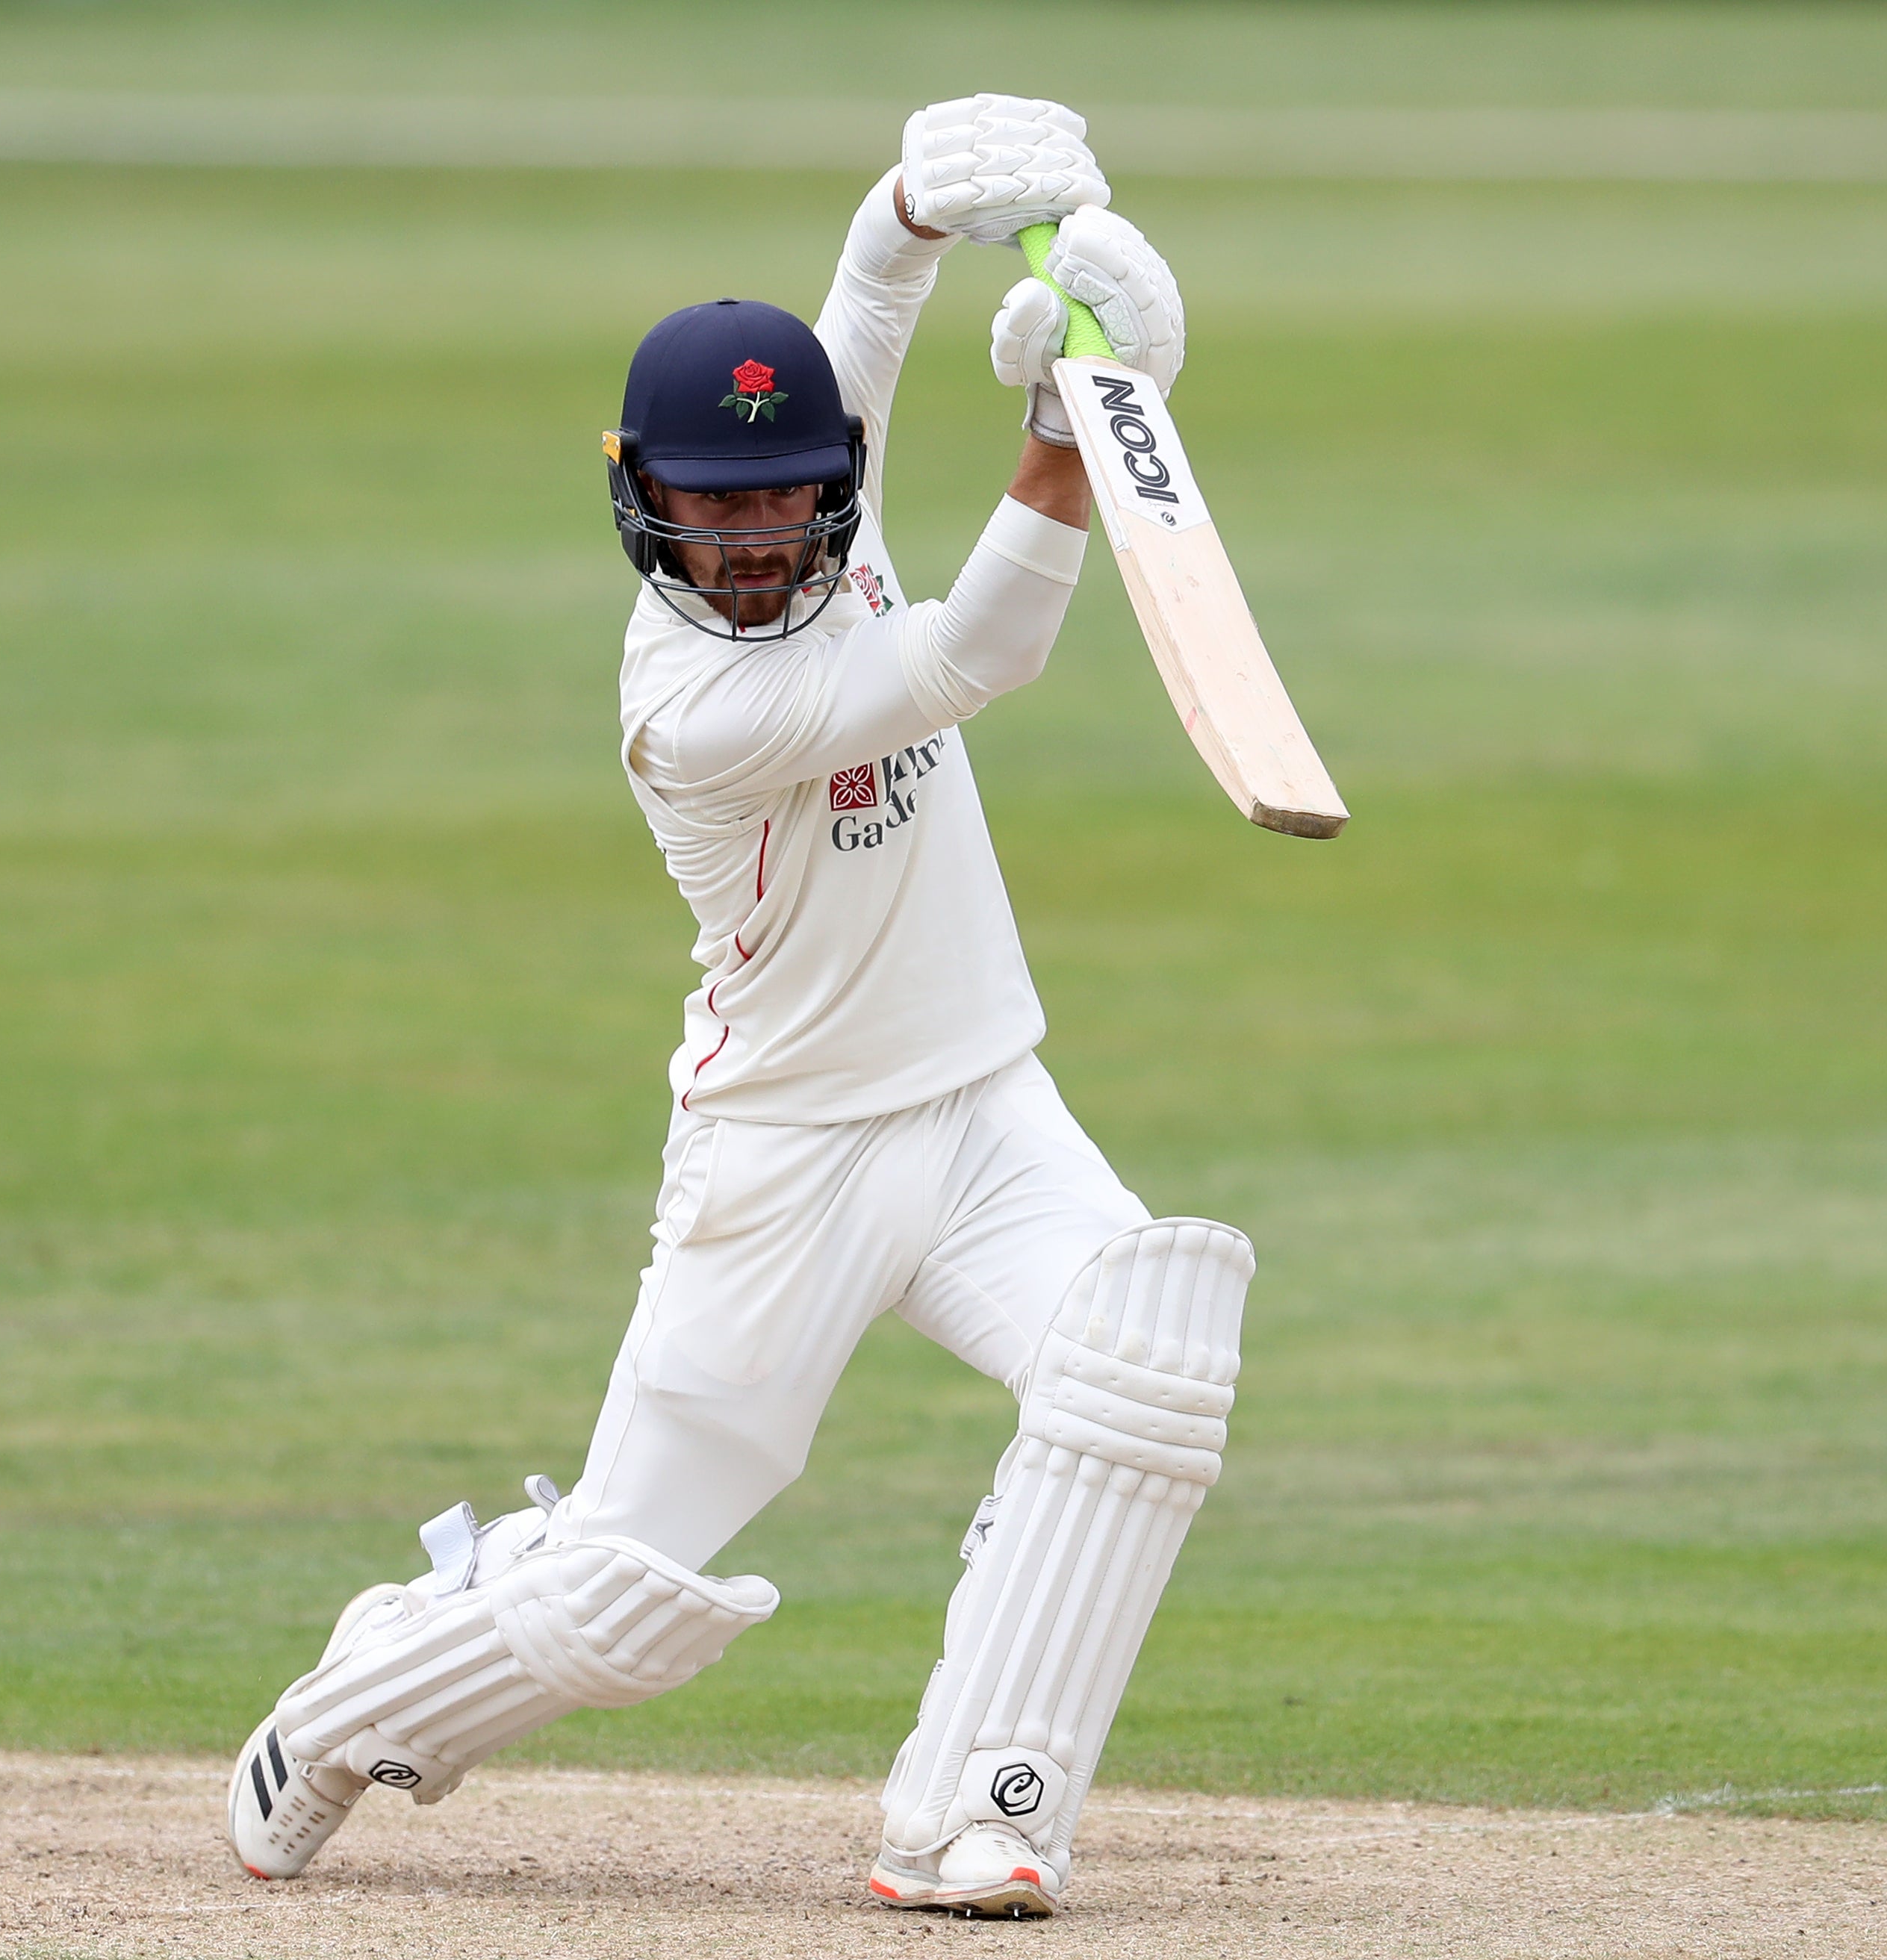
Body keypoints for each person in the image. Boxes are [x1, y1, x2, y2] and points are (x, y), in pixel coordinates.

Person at [223, 96, 1247, 1921]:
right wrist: (1074, 420)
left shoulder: (826, 529)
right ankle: (352, 1699)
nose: (755, 537)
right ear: (643, 503)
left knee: (1144, 1355)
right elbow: (975, 656)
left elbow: (852, 344)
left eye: (785, 497)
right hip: (781, 1162)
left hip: (981, 1107)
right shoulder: (687, 706)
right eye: (710, 505)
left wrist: (911, 207)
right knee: (618, 1590)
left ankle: (979, 1808)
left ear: (833, 489)